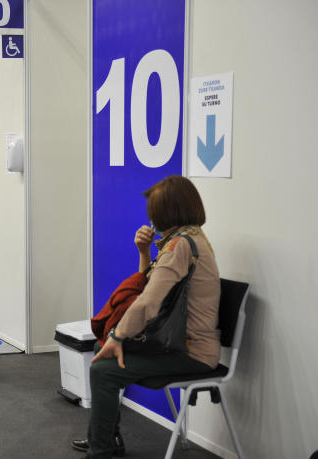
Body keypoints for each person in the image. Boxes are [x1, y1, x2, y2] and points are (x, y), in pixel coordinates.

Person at [73, 176, 221, 459]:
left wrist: (117, 336)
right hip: (180, 342)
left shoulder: (180, 246)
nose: (150, 216)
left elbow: (147, 303)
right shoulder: (188, 239)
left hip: (191, 351)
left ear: (167, 211)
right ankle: (106, 438)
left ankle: (101, 448)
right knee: (101, 350)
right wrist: (144, 252)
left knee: (103, 368)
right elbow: (149, 285)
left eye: (153, 209)